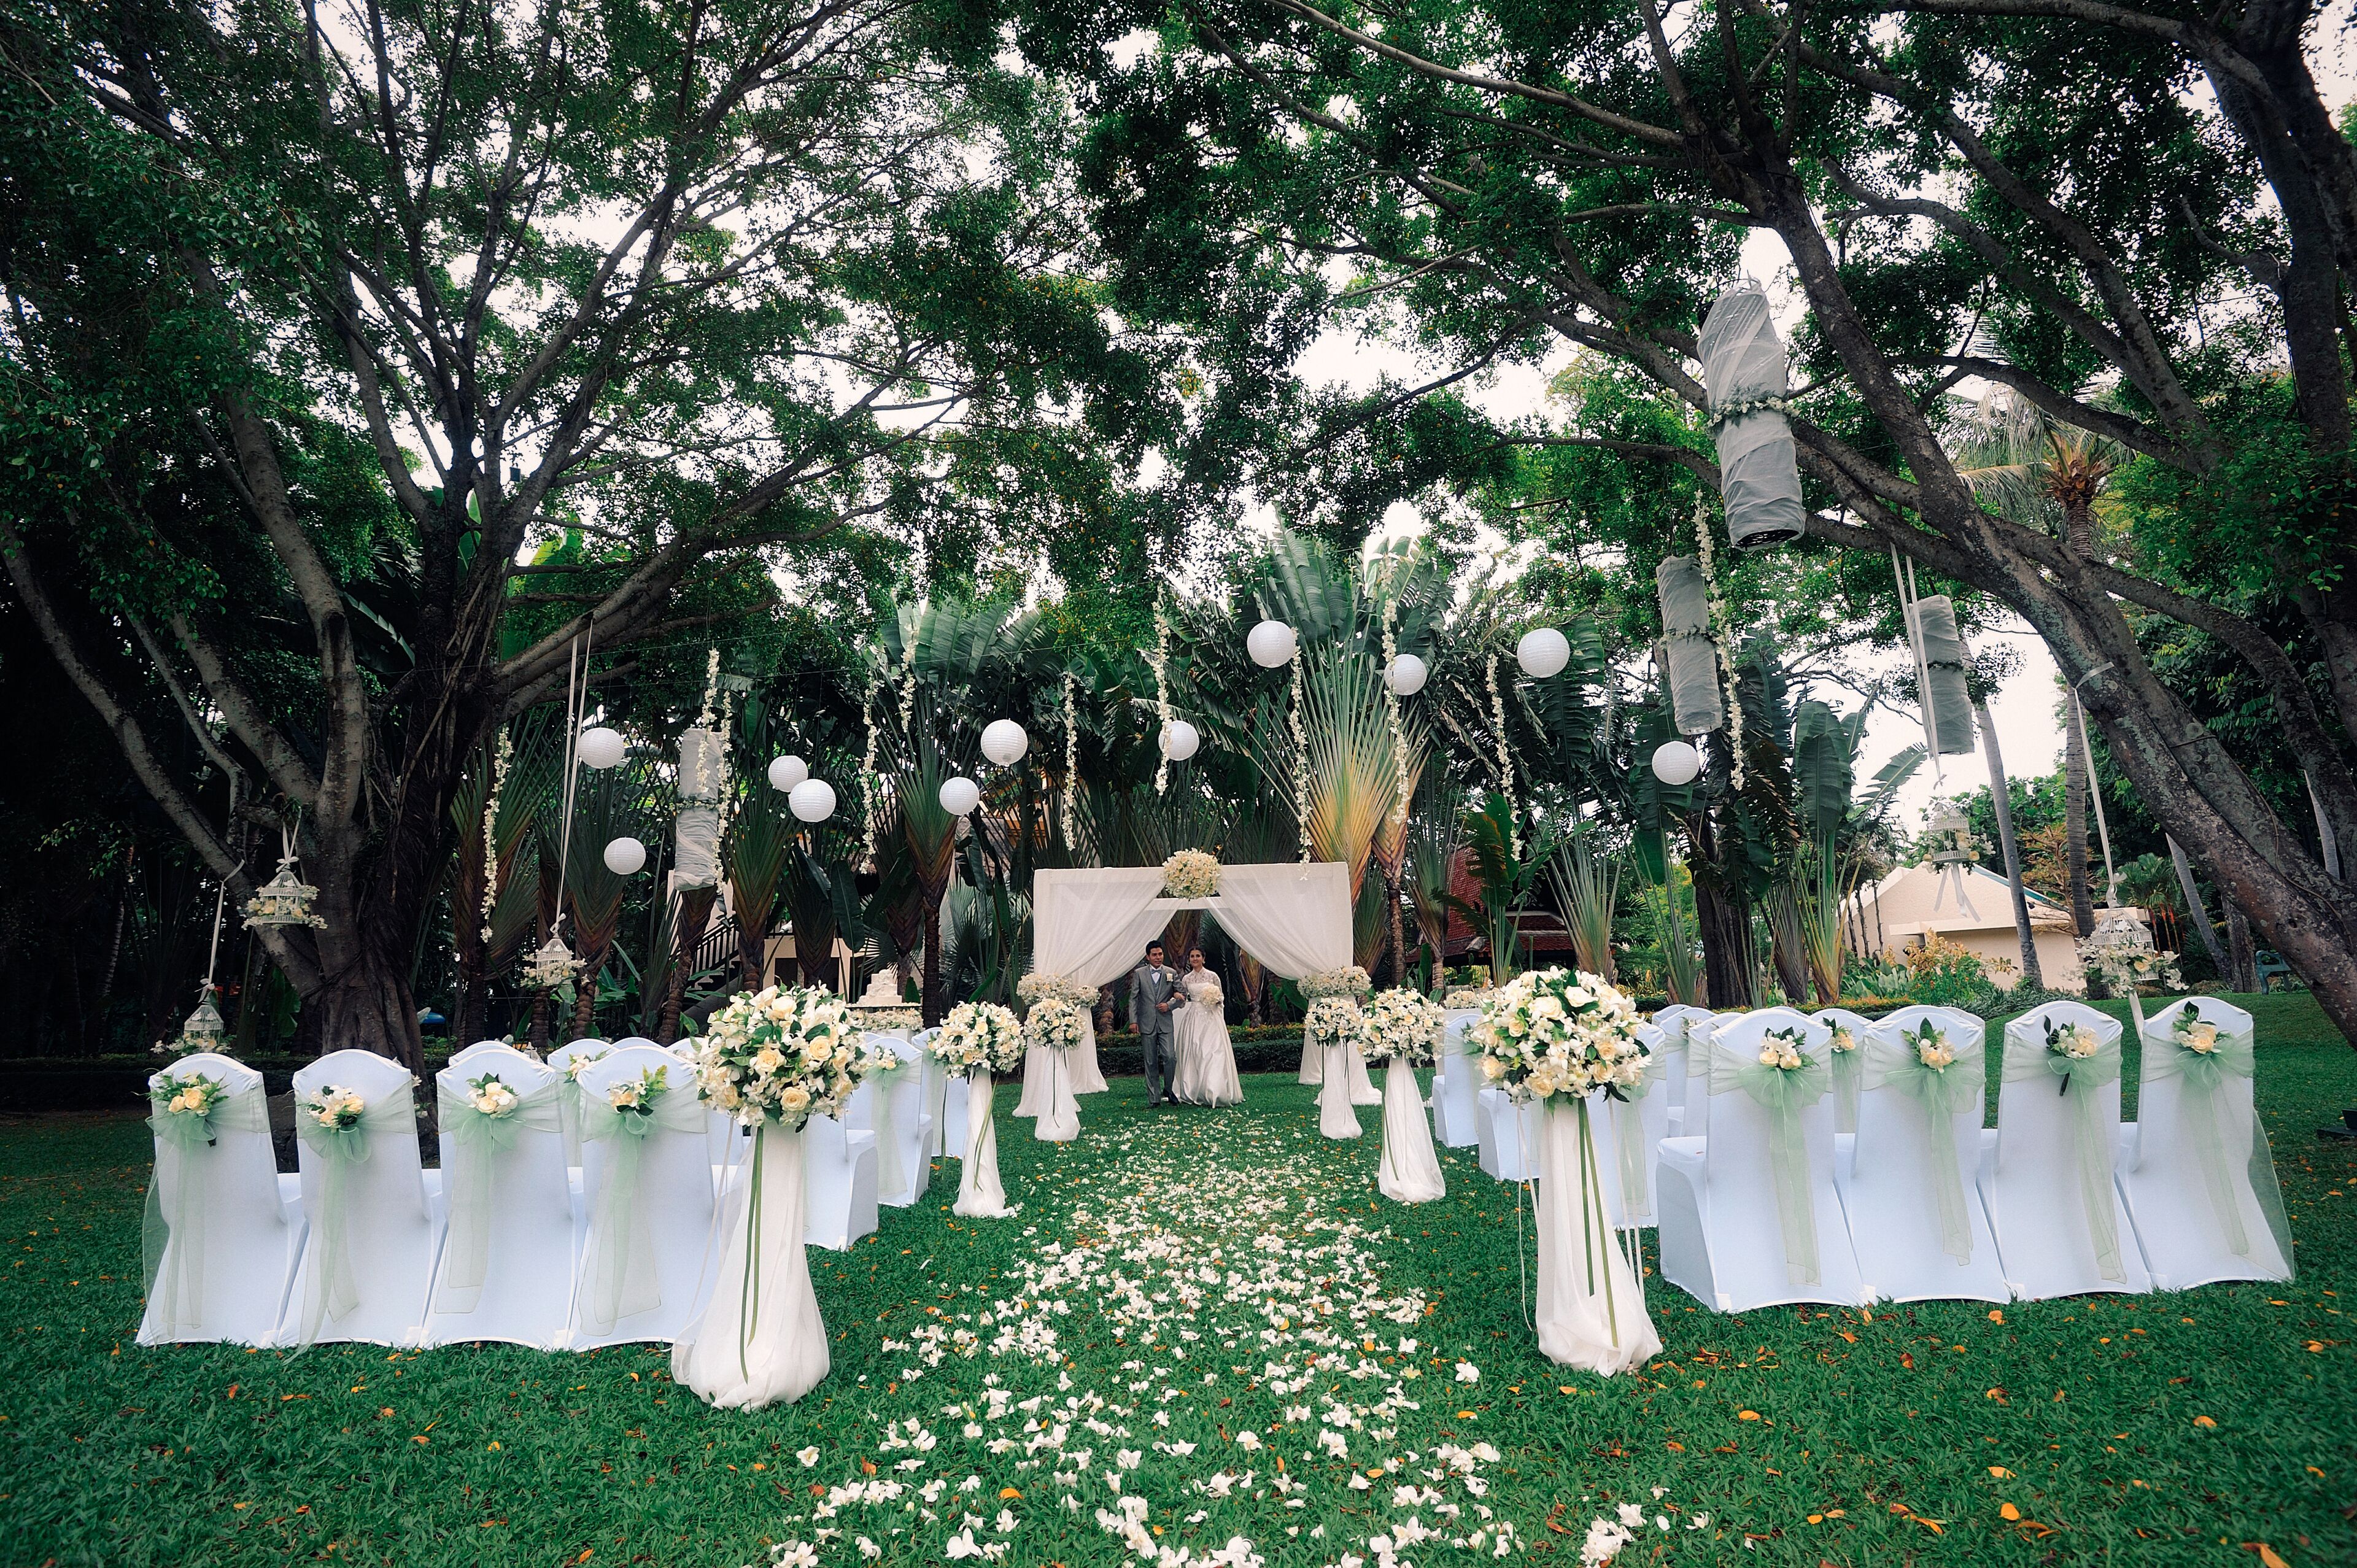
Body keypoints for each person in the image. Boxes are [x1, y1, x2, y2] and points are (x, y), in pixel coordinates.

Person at [1171, 946, 1244, 1105]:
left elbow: (1222, 996)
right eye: (1192, 956)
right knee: (1194, 1052)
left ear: (1204, 959)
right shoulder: (1186, 979)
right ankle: (1194, 1089)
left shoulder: (1213, 976)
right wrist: (1177, 997)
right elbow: (1183, 1002)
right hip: (1193, 1018)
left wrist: (1216, 1000)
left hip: (1211, 1019)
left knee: (1212, 1053)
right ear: (1189, 959)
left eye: (1198, 956)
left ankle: (1214, 1090)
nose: (1195, 959)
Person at [1129, 942, 1185, 1107]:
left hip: (1165, 1022)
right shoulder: (1139, 974)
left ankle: (1168, 1089)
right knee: (1151, 1061)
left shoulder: (1171, 973)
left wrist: (1170, 1005)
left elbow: (1182, 994)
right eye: (1154, 955)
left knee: (1170, 1057)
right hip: (1146, 1022)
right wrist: (1133, 1020)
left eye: (1160, 954)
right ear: (1148, 957)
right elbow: (1134, 998)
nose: (1158, 957)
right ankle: (1154, 1098)